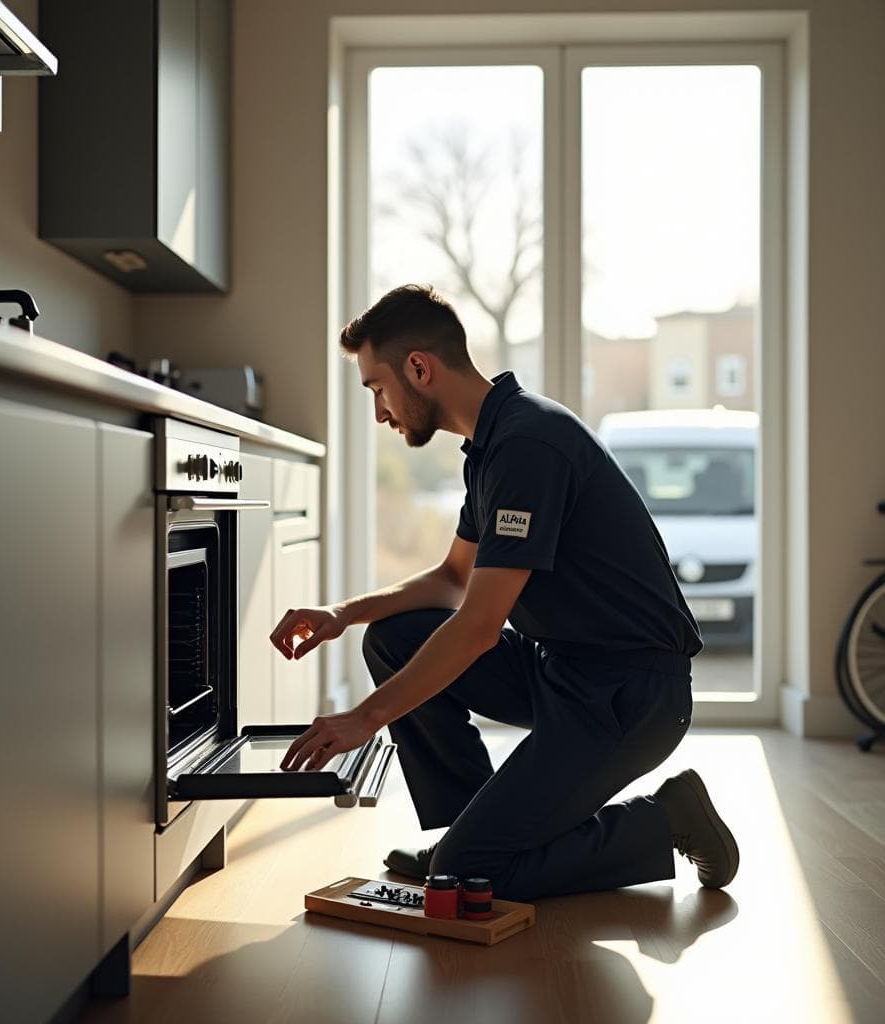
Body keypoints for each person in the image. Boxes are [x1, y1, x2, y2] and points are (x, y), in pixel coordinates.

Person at [270, 284, 739, 901]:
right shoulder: (490, 447)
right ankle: (467, 832)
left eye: (376, 389)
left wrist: (366, 716)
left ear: (419, 368)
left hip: (631, 694)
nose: (380, 411)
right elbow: (449, 579)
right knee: (394, 639)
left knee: (471, 878)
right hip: (563, 669)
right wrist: (342, 614)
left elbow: (478, 626)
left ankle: (668, 817)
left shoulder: (528, 445)